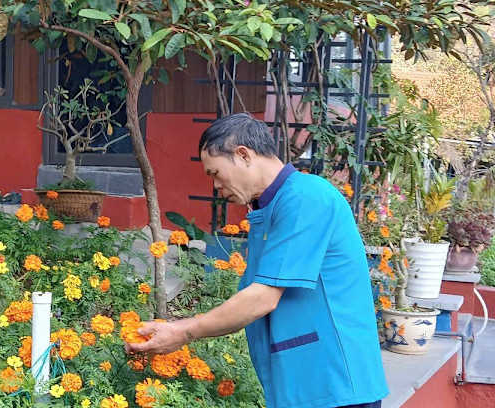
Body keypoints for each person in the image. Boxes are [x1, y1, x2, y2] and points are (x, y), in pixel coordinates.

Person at [127, 113, 388, 408]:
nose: (215, 185)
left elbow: (262, 298)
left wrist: (182, 331)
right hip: (307, 383)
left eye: (215, 173)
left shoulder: (306, 197)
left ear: (243, 155)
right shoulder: (271, 207)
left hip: (335, 384)